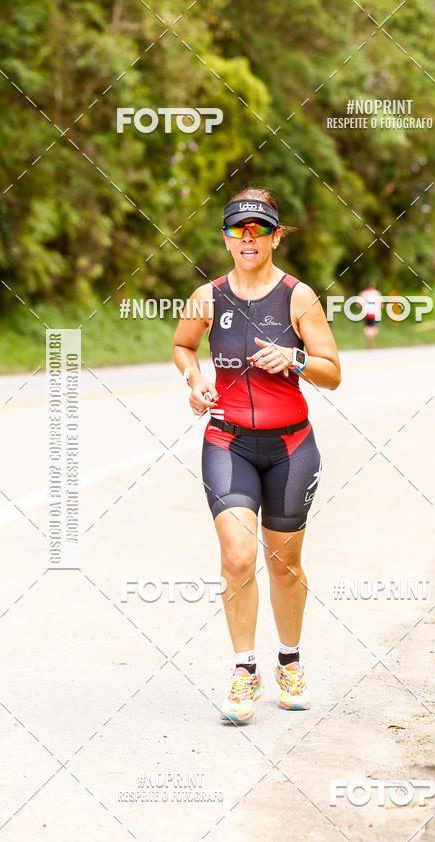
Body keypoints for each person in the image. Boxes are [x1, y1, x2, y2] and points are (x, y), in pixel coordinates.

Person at [172, 188, 341, 724]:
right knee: (239, 557)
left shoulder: (298, 297)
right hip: (228, 441)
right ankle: (245, 672)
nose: (249, 239)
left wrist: (293, 358)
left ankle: (289, 661)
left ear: (274, 236)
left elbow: (332, 372)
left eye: (259, 230)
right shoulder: (207, 296)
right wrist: (195, 381)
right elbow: (183, 347)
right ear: (225, 236)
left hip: (291, 446)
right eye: (238, 229)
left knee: (284, 563)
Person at [357, 279, 382, 348]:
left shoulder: (362, 293)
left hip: (366, 313)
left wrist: (363, 308)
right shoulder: (377, 293)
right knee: (374, 329)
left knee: (368, 328)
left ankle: (369, 342)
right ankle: (370, 343)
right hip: (375, 313)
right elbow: (381, 304)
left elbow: (358, 304)